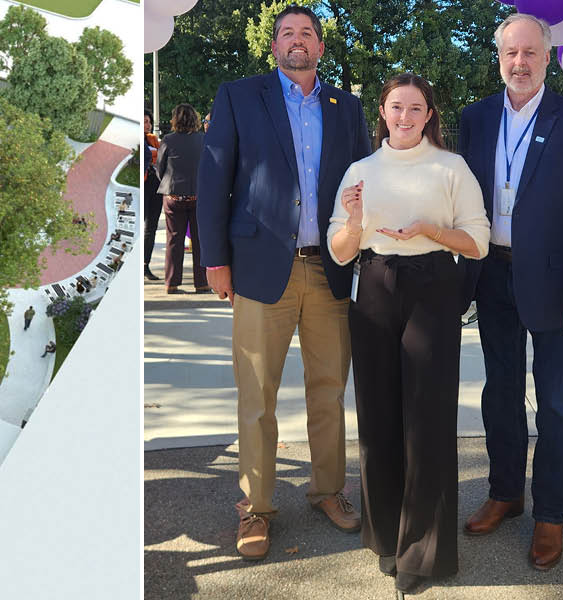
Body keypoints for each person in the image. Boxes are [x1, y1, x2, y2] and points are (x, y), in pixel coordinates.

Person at [196, 5, 372, 561]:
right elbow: (214, 177)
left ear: (321, 46)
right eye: (286, 32)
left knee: (329, 389)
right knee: (257, 395)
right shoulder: (239, 96)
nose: (297, 40)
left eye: (308, 33)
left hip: (330, 269)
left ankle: (328, 489)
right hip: (257, 268)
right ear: (272, 45)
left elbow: (367, 178)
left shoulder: (348, 106)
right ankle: (256, 507)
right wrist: (215, 260)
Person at [328, 73, 490, 592]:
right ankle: (386, 537)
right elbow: (340, 250)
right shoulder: (360, 170)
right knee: (377, 418)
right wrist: (353, 221)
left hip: (431, 289)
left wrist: (429, 229)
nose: (404, 116)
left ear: (428, 115)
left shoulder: (451, 167)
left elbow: (478, 242)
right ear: (382, 110)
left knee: (426, 419)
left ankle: (423, 552)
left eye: (415, 108)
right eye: (396, 106)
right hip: (374, 285)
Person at [457, 13, 563, 572]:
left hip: (556, 283)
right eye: (510, 53)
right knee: (500, 394)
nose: (519, 63)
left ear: (548, 58)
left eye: (530, 53)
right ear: (499, 57)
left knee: (558, 405)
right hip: (492, 275)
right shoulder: (475, 118)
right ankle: (506, 493)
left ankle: (550, 515)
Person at [157, 103, 208, 295]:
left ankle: (172, 283)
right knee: (200, 241)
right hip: (197, 196)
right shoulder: (203, 140)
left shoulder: (168, 140)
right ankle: (202, 283)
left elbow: (159, 168)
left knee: (173, 241)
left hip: (173, 195)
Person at [144, 109, 164, 281]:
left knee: (151, 226)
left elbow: (161, 159)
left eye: (149, 121)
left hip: (155, 184)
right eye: (144, 121)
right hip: (142, 184)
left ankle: (145, 265)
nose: (147, 124)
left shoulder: (153, 140)